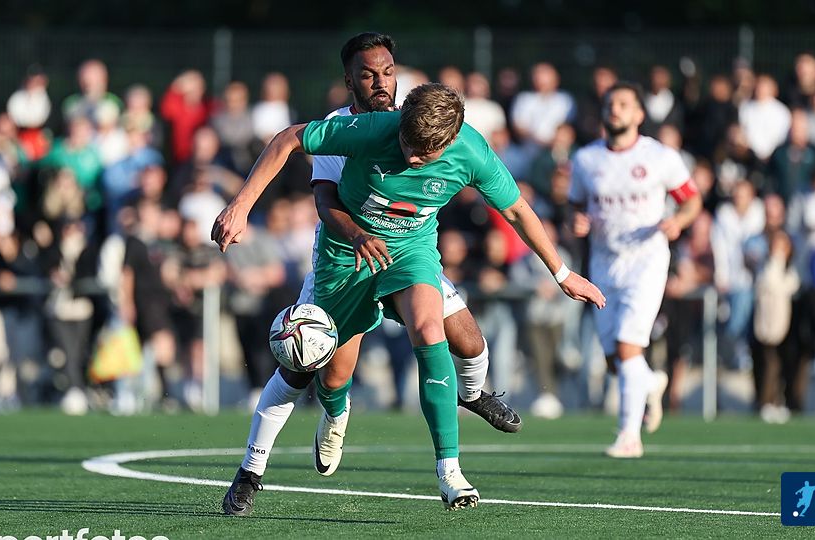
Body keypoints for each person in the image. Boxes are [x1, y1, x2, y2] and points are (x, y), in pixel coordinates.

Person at [214, 71, 605, 513]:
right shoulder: (371, 129)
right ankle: (271, 455)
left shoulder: (472, 151)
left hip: (411, 253)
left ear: (450, 140)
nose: (413, 158)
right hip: (346, 256)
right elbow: (288, 139)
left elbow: (516, 209)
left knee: (433, 330)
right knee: (313, 369)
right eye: (408, 146)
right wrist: (241, 205)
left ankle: (450, 471)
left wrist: (562, 273)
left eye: (426, 152)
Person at [570, 82, 702, 458]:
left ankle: (629, 436)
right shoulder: (586, 159)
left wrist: (678, 222)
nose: (615, 109)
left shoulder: (660, 156)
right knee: (615, 359)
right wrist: (576, 221)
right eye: (610, 104)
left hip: (646, 260)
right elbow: (575, 204)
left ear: (639, 114)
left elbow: (691, 200)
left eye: (624, 104)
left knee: (629, 346)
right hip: (603, 263)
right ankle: (650, 382)